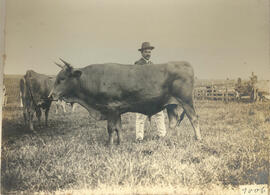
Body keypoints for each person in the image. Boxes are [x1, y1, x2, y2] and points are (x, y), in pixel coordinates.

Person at [134, 42, 166, 141]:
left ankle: (162, 135)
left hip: (153, 94)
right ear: (142, 53)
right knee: (141, 116)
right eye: (146, 52)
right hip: (142, 94)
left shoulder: (152, 64)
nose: (148, 54)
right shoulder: (137, 64)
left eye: (149, 52)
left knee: (159, 114)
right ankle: (139, 137)